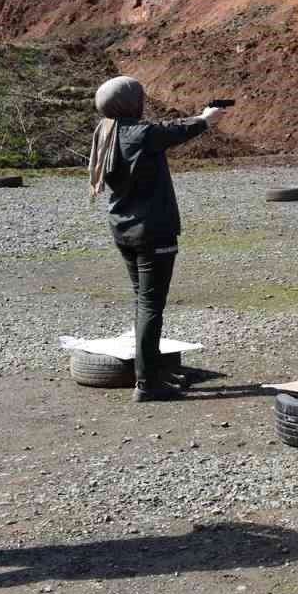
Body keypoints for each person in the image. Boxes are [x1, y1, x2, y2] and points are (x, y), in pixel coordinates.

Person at [88, 77, 224, 402]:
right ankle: (148, 383)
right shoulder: (140, 134)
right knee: (150, 305)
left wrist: (203, 119)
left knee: (143, 303)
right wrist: (206, 119)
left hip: (123, 228)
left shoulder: (105, 132)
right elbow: (175, 131)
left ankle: (151, 370)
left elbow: (166, 128)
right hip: (152, 232)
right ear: (128, 103)